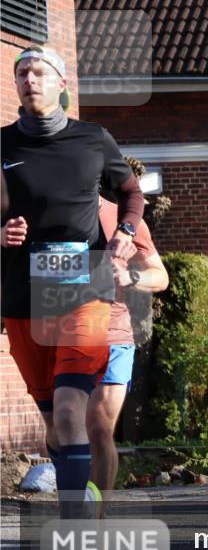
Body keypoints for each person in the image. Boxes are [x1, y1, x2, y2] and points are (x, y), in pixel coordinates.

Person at [1, 45, 142, 513]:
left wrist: (124, 232)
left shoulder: (92, 139)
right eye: (21, 72)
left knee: (69, 411)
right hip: (24, 296)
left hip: (87, 289)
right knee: (52, 422)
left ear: (62, 84)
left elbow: (131, 192)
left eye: (39, 72)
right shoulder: (2, 145)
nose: (29, 79)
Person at [87, 198, 169, 502]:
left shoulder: (123, 218)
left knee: (98, 428)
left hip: (114, 336)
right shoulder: (46, 212)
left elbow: (159, 275)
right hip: (64, 338)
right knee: (66, 432)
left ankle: (95, 516)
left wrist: (132, 277)